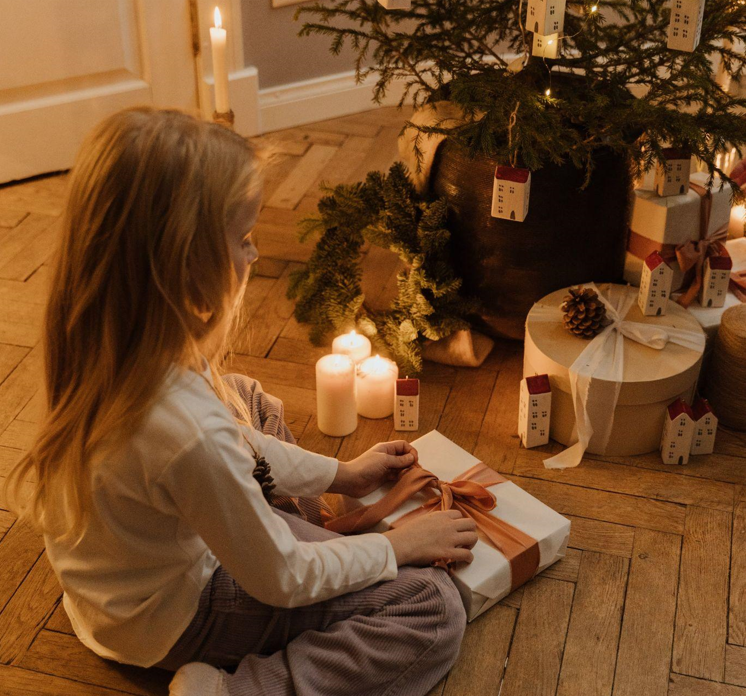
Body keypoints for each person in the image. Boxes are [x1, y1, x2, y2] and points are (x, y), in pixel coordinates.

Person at [4, 108, 478, 696]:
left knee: (249, 400)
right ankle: (238, 690)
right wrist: (393, 546)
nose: (254, 256)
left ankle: (311, 530)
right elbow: (279, 575)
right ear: (186, 265)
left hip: (120, 589)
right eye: (244, 239)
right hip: (174, 617)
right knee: (430, 608)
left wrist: (345, 474)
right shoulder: (185, 429)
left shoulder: (100, 344)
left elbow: (240, 440)